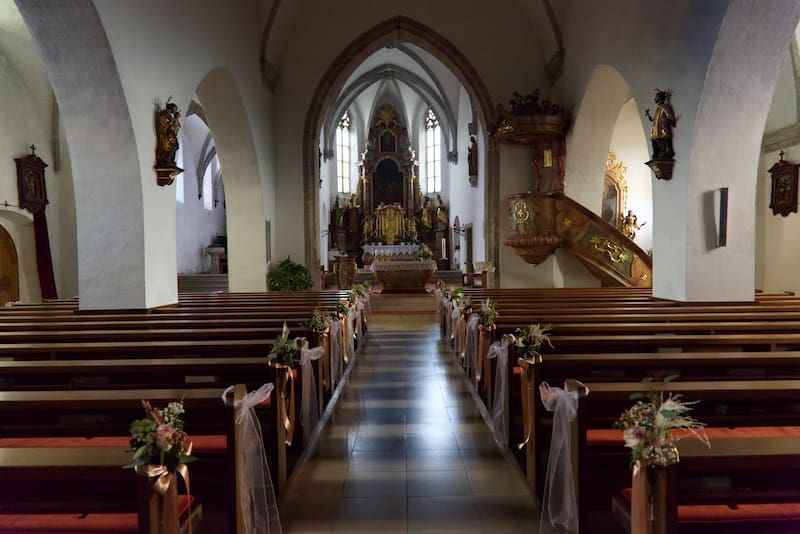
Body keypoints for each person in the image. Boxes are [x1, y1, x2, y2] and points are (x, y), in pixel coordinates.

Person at [644, 90, 676, 159]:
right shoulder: (658, 108)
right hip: (656, 127)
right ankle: (659, 152)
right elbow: (655, 119)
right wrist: (650, 118)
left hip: (662, 127)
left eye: (656, 97)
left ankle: (664, 151)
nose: (654, 99)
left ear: (660, 98)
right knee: (656, 138)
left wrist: (671, 120)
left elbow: (669, 114)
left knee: (661, 138)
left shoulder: (664, 106)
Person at [156, 101, 181, 167]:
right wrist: (171, 122)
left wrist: (174, 124)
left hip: (170, 135)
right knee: (172, 146)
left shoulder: (170, 116)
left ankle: (169, 160)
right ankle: (166, 159)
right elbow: (163, 126)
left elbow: (174, 126)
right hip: (166, 135)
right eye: (175, 109)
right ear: (171, 108)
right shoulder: (164, 115)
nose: (175, 111)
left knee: (176, 146)